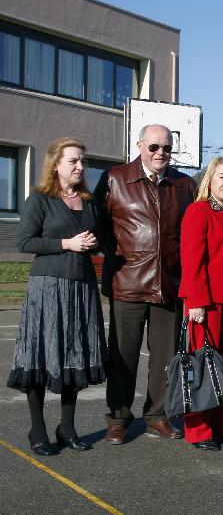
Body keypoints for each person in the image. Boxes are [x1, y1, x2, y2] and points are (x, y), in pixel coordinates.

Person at [95, 124, 197, 444]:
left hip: (169, 284)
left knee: (166, 357)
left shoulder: (184, 185)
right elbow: (98, 227)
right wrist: (114, 264)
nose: (160, 153)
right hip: (127, 284)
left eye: (166, 148)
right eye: (154, 147)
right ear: (140, 145)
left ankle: (157, 415)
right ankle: (118, 417)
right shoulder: (114, 179)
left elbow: (193, 235)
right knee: (123, 355)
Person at [7, 138, 108, 455]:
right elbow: (25, 243)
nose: (80, 167)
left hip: (81, 287)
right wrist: (67, 244)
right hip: (47, 288)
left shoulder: (89, 201)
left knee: (73, 355)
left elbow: (100, 238)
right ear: (55, 165)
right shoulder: (39, 199)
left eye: (82, 161)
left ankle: (67, 427)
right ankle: (37, 430)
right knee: (40, 357)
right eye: (73, 161)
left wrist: (94, 243)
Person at [178, 157, 223, 451]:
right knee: (202, 365)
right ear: (210, 180)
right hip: (205, 304)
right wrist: (195, 302)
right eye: (222, 177)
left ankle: (221, 423)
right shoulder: (198, 212)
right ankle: (198, 430)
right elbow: (192, 259)